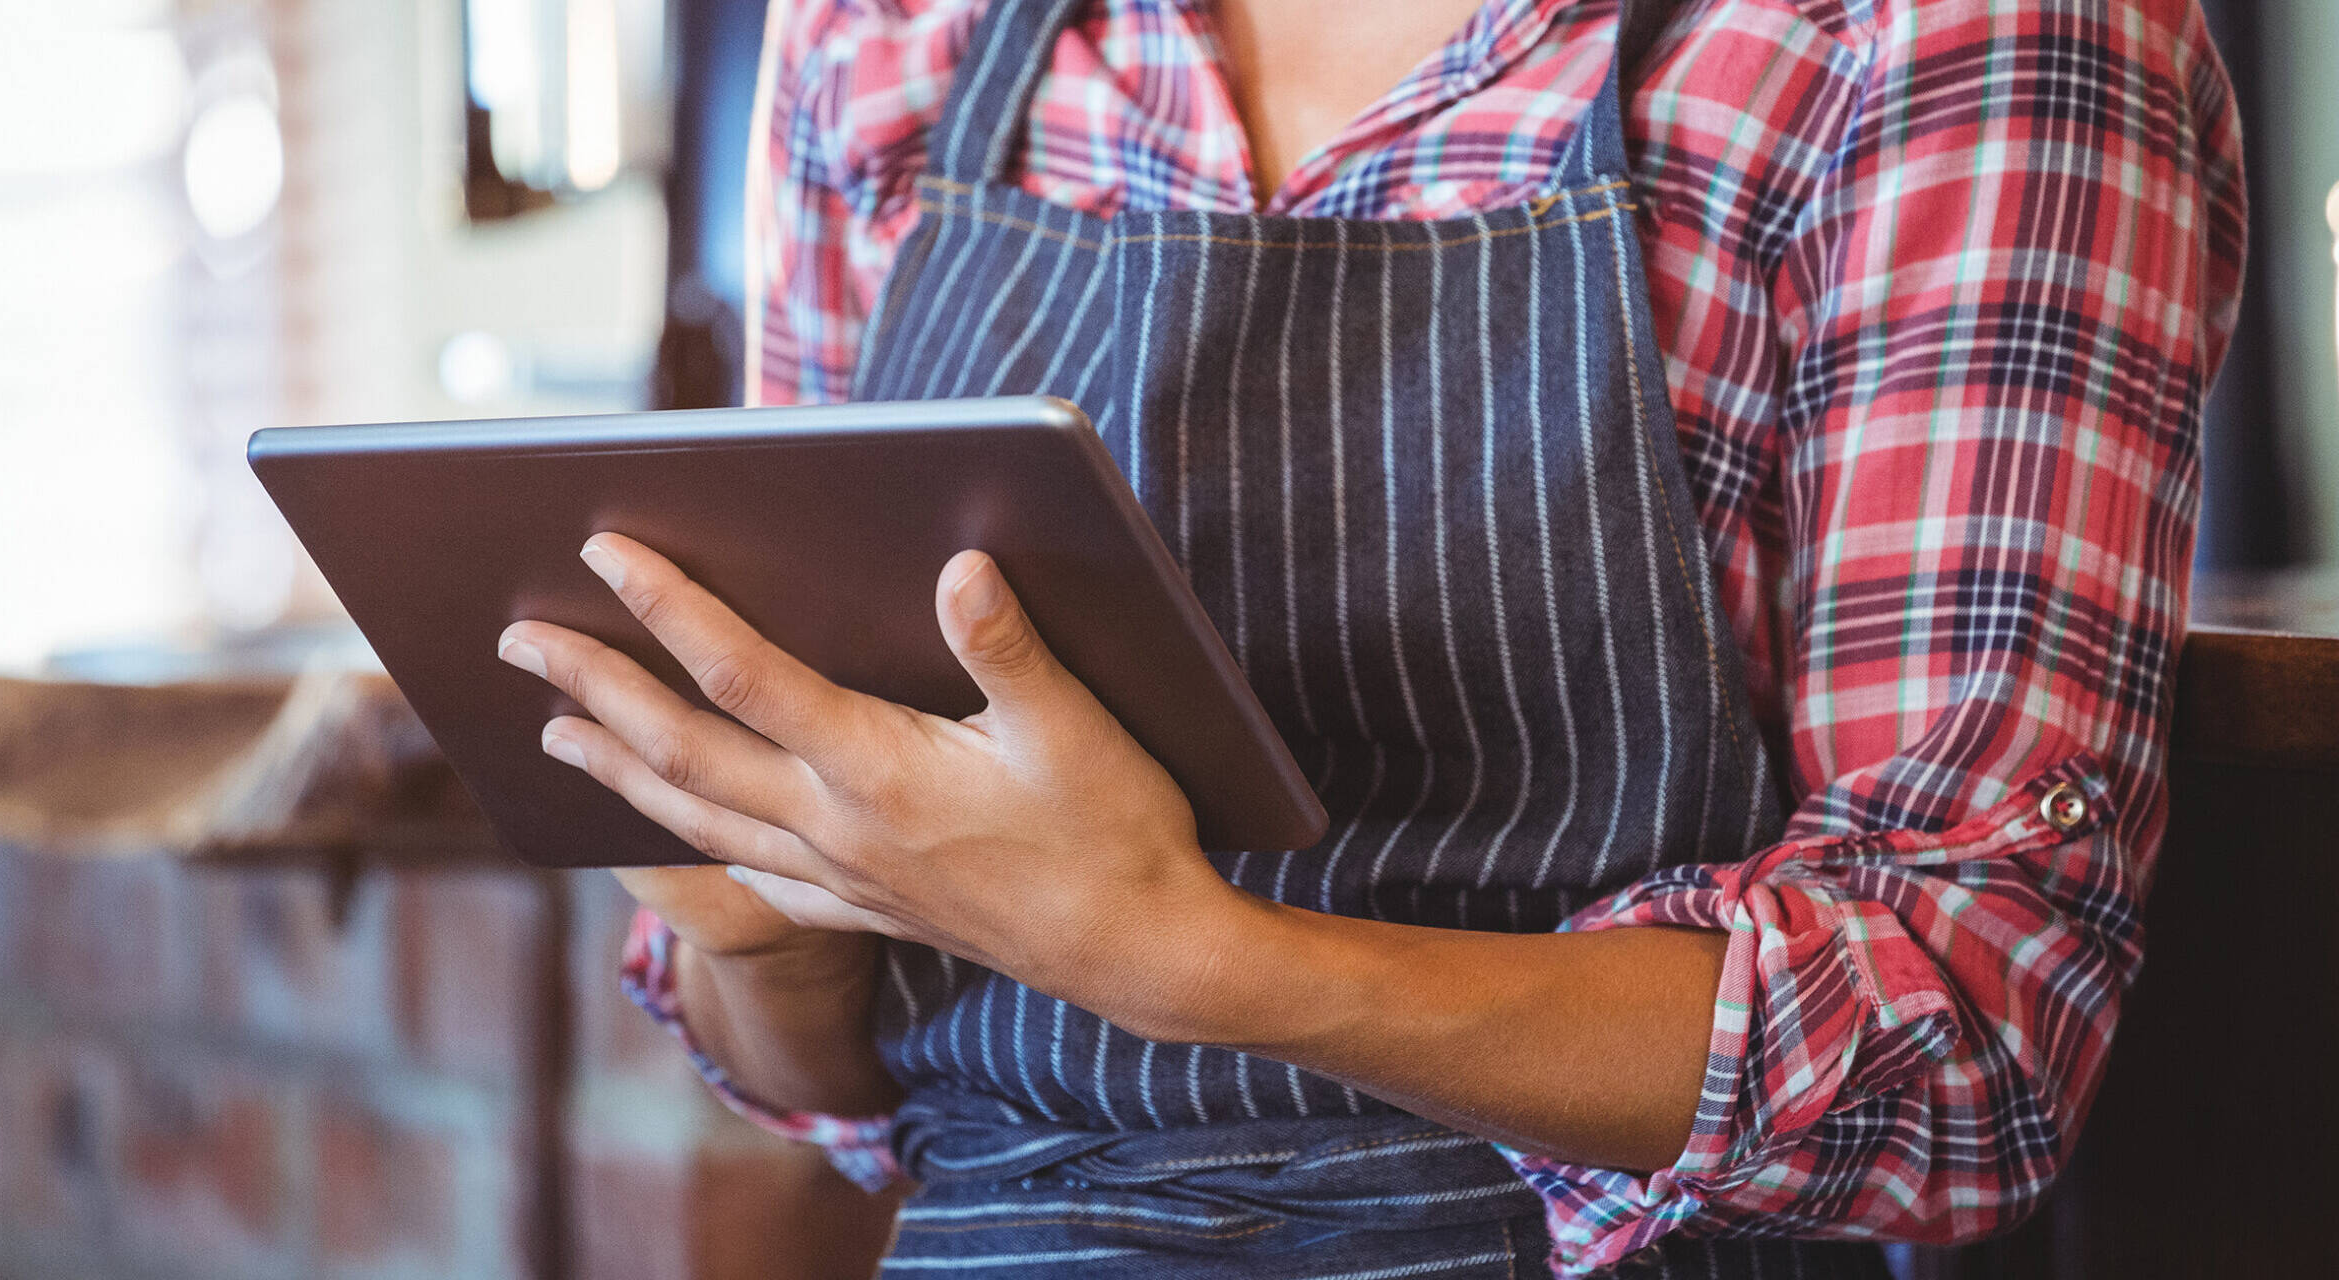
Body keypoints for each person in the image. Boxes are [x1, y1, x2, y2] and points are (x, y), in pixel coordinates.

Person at [491, 0, 2246, 1272]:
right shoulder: (889, 44)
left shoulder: (1950, 38)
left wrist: (1205, 963)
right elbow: (842, 1079)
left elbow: (1968, 1030)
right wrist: (776, 932)